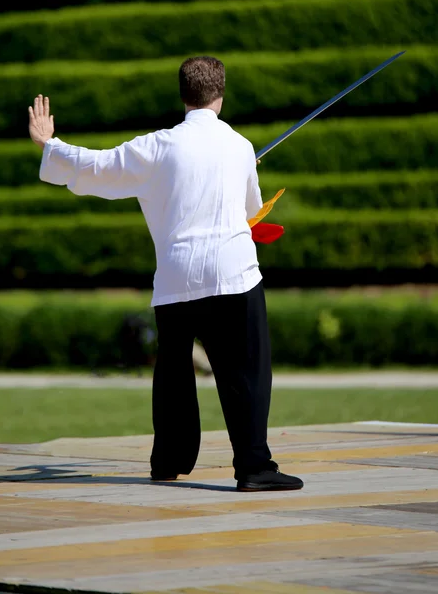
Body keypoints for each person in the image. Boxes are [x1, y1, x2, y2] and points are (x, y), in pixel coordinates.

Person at [28, 56, 303, 492]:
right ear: (221, 93)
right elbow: (252, 212)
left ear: (182, 96)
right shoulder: (241, 146)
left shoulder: (157, 146)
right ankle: (254, 467)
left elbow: (98, 166)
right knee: (247, 372)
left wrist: (49, 144)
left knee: (173, 372)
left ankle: (169, 461)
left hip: (176, 277)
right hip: (233, 275)